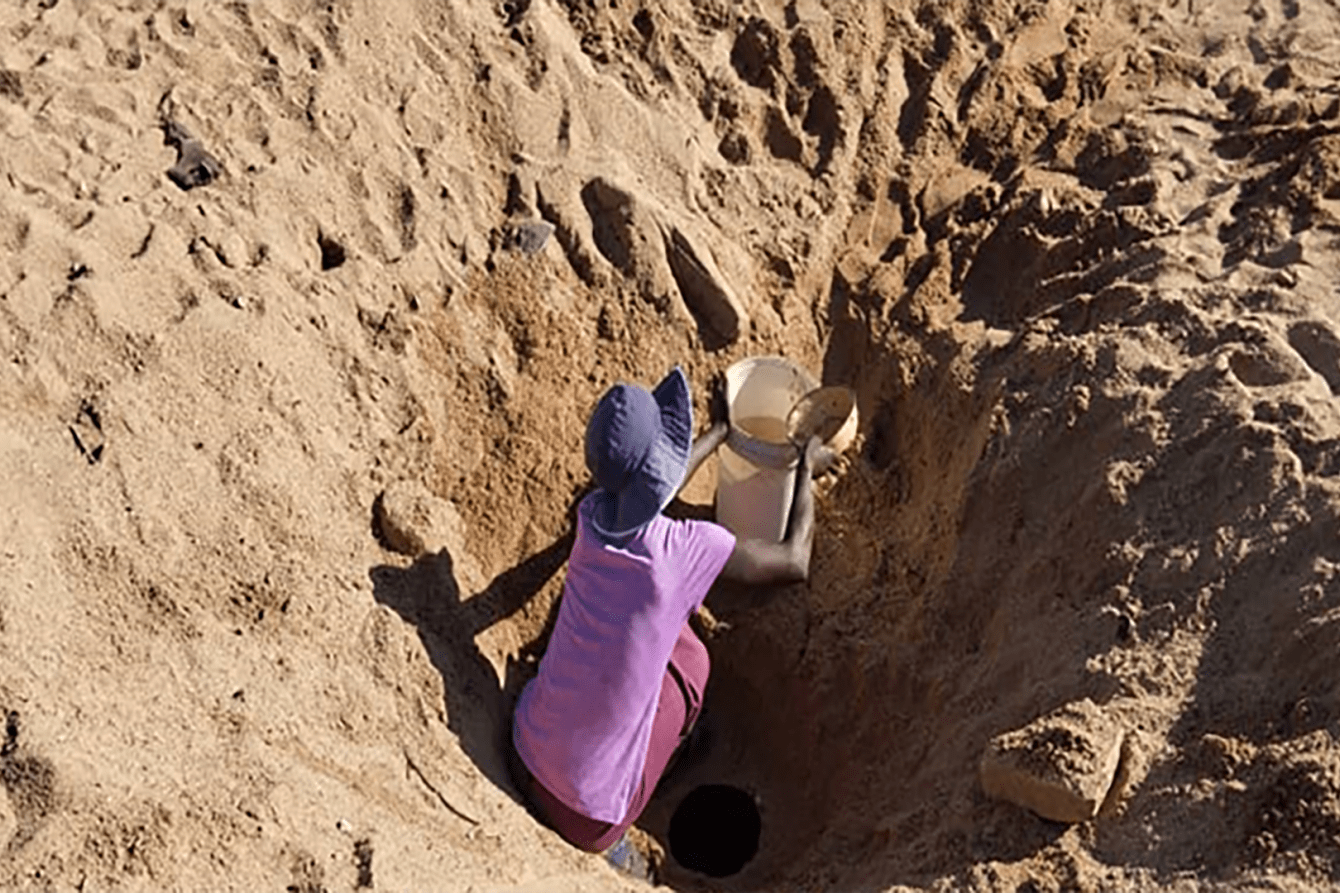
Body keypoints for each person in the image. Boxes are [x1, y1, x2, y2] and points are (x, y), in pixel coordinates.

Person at [508, 365, 826, 859]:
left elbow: (655, 489)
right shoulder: (682, 549)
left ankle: (647, 762)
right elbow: (792, 560)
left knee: (658, 638)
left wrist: (720, 433)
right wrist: (806, 468)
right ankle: (626, 844)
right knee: (692, 660)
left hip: (525, 753)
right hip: (592, 818)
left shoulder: (591, 514)